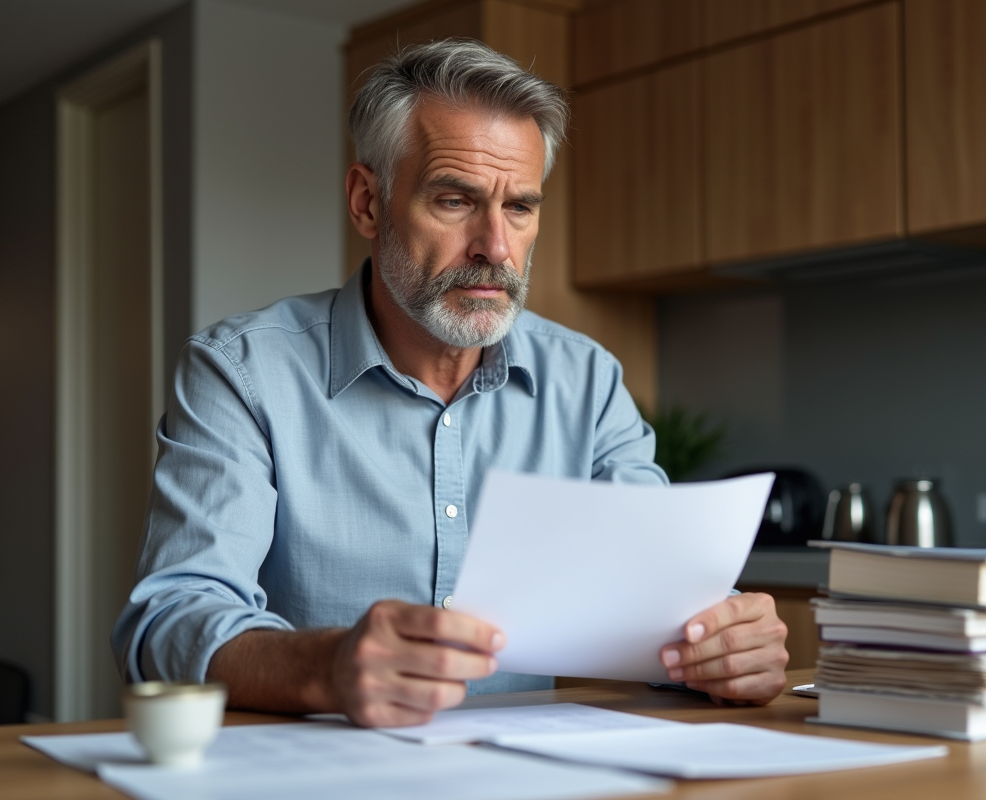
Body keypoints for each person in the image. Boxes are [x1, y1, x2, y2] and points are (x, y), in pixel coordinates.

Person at [112, 38, 788, 728]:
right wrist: (328, 667)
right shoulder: (243, 373)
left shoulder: (585, 381)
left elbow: (664, 607)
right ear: (368, 203)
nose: (494, 247)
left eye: (520, 208)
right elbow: (168, 622)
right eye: (455, 200)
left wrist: (725, 647)